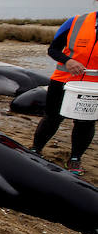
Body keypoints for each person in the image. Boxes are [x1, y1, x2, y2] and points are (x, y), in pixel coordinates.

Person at [31, 9, 98, 175]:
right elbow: (53, 49)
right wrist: (67, 61)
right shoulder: (75, 22)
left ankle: (75, 158)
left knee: (86, 122)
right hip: (63, 79)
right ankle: (35, 149)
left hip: (93, 86)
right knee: (52, 117)